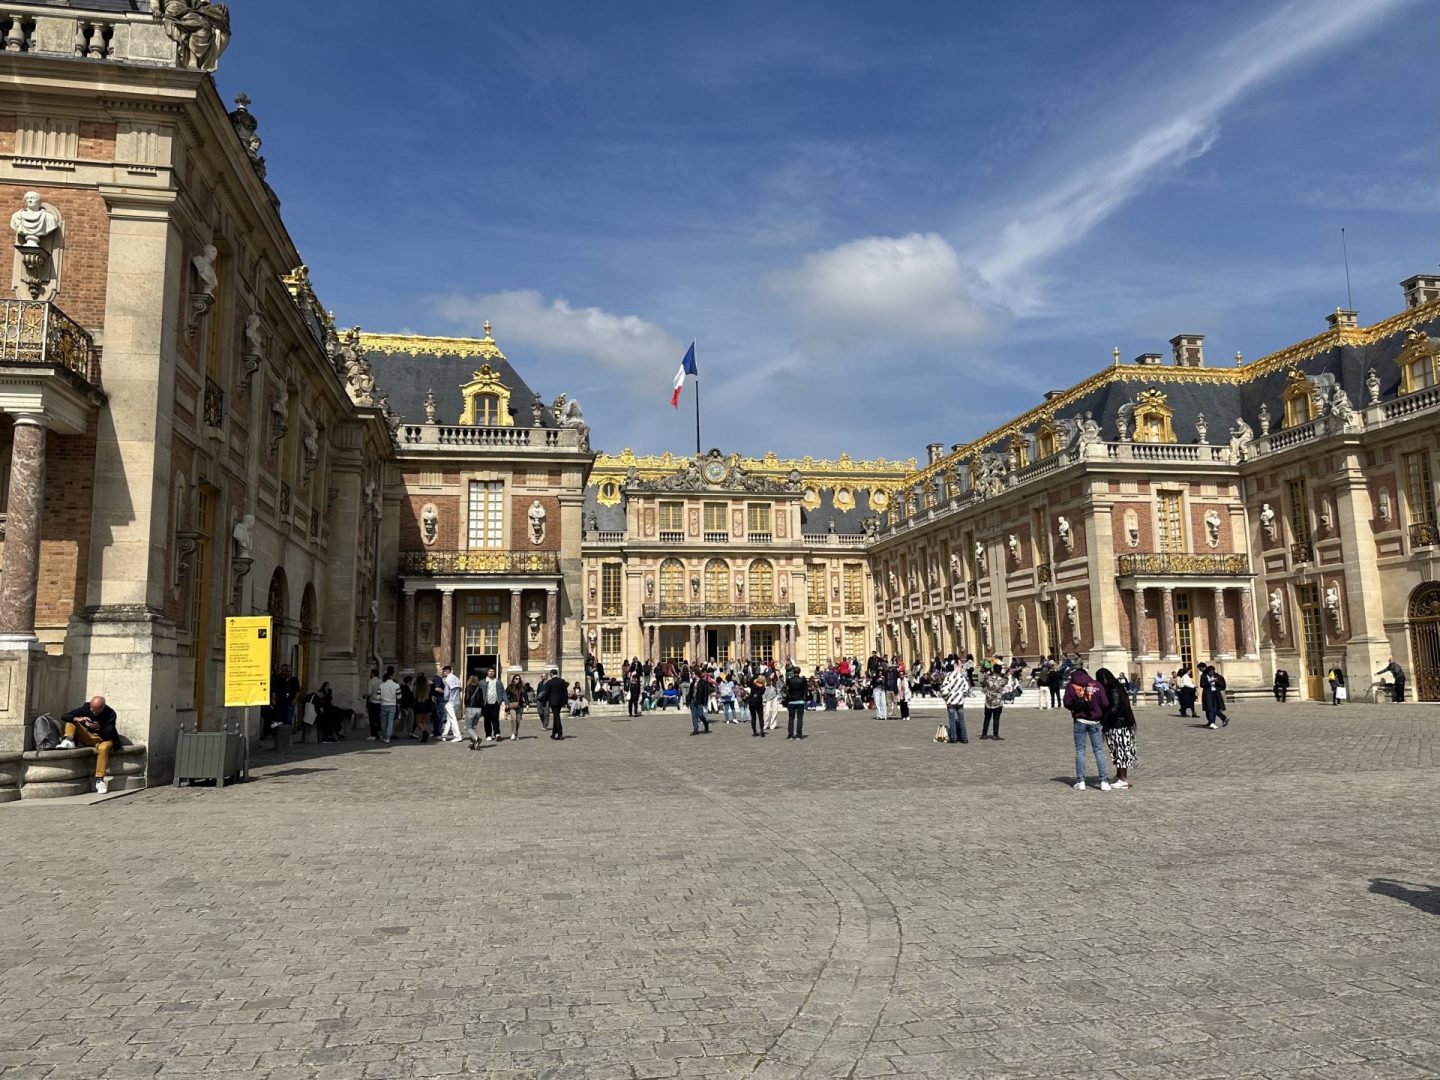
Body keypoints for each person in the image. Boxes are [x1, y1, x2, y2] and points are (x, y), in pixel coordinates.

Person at [1062, 667, 1112, 791]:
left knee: (1080, 750)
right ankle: (1104, 781)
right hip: (1095, 721)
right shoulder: (1096, 685)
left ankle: (1081, 781)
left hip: (1080, 721)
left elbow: (1067, 703)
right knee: (1098, 750)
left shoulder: (1071, 685)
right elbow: (1105, 703)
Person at [57, 696, 120, 794]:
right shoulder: (86, 707)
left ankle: (100, 780)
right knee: (72, 721)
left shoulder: (110, 714)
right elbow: (65, 716)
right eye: (91, 708)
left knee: (103, 748)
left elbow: (109, 732)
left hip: (103, 739)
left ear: (103, 707)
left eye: (95, 710)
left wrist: (98, 727)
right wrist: (79, 718)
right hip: (88, 737)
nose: (92, 711)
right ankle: (68, 740)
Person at [1095, 668, 1137, 789]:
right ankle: (1119, 775)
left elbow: (1114, 709)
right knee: (1117, 751)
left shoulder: (1113, 689)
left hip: (1119, 725)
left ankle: (1123, 779)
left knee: (1121, 751)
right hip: (1119, 724)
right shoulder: (1117, 687)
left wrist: (1103, 717)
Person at [939, 664, 969, 744]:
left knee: (952, 720)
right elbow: (966, 687)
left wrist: (945, 698)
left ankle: (954, 738)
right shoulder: (960, 676)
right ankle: (964, 738)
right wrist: (962, 696)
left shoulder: (948, 677)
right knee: (962, 720)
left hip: (951, 702)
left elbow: (944, 690)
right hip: (959, 702)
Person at [980, 664, 1007, 740]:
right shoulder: (1001, 680)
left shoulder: (989, 678)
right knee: (996, 719)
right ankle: (995, 734)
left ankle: (984, 734)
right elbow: (1006, 683)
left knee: (987, 718)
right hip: (998, 702)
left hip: (988, 702)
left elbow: (982, 683)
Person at [438, 665, 463, 742]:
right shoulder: (457, 678)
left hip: (450, 701)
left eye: (444, 671)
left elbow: (446, 693)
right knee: (449, 719)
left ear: (446, 671)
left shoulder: (447, 680)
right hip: (457, 701)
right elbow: (460, 689)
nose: (443, 673)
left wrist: (445, 699)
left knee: (453, 719)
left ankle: (458, 736)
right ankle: (444, 735)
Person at [541, 668, 568, 739]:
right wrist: (565, 702)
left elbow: (546, 693)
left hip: (553, 702)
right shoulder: (562, 681)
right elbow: (565, 692)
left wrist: (544, 702)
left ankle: (560, 733)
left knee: (556, 717)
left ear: (551, 674)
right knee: (556, 716)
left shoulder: (549, 682)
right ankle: (553, 733)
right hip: (560, 702)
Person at [784, 665, 809, 740]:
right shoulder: (802, 680)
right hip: (800, 701)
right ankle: (798, 735)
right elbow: (805, 689)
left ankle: (791, 735)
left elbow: (787, 689)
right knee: (800, 718)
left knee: (791, 718)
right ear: (799, 672)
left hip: (791, 701)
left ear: (793, 672)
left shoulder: (789, 680)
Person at [479, 667, 504, 742]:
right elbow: (479, 693)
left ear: (495, 673)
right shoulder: (482, 682)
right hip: (486, 703)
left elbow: (503, 691)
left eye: (493, 671)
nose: (491, 672)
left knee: (495, 718)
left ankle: (497, 734)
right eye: (490, 671)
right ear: (487, 672)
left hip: (495, 702)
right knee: (487, 720)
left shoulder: (498, 682)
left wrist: (505, 701)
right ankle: (488, 734)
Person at [1201, 665, 1229, 729]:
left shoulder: (1217, 676)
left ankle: (1215, 721)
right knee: (1210, 708)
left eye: (1212, 672)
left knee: (1215, 708)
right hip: (1208, 694)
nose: (1211, 673)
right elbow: (1202, 685)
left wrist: (1217, 684)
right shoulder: (1204, 676)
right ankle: (1212, 722)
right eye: (1210, 672)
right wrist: (1210, 682)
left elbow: (1222, 685)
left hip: (1215, 693)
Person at [377, 667, 399, 743]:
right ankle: (388, 737)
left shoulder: (381, 686)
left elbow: (378, 697)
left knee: (383, 721)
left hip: (383, 704)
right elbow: (399, 696)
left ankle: (384, 736)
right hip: (392, 704)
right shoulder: (396, 685)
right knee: (390, 721)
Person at [463, 674, 484, 748]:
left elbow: (467, 698)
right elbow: (482, 700)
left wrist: (465, 706)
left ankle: (477, 739)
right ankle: (472, 744)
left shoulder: (468, 687)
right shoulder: (480, 688)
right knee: (473, 727)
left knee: (468, 727)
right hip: (479, 709)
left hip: (471, 708)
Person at [506, 674, 526, 739]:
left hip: (520, 705)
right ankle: (513, 734)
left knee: (518, 720)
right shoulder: (510, 687)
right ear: (513, 679)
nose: (518, 680)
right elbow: (505, 695)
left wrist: (528, 704)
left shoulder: (522, 687)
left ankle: (515, 733)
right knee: (513, 719)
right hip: (512, 705)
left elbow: (525, 696)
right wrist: (507, 702)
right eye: (516, 679)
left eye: (519, 679)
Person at [365, 666, 382, 740]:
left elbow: (369, 692)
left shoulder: (371, 681)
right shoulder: (381, 682)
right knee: (378, 719)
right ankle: (381, 732)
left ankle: (373, 734)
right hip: (379, 702)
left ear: (372, 674)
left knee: (372, 719)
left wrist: (364, 695)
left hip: (372, 702)